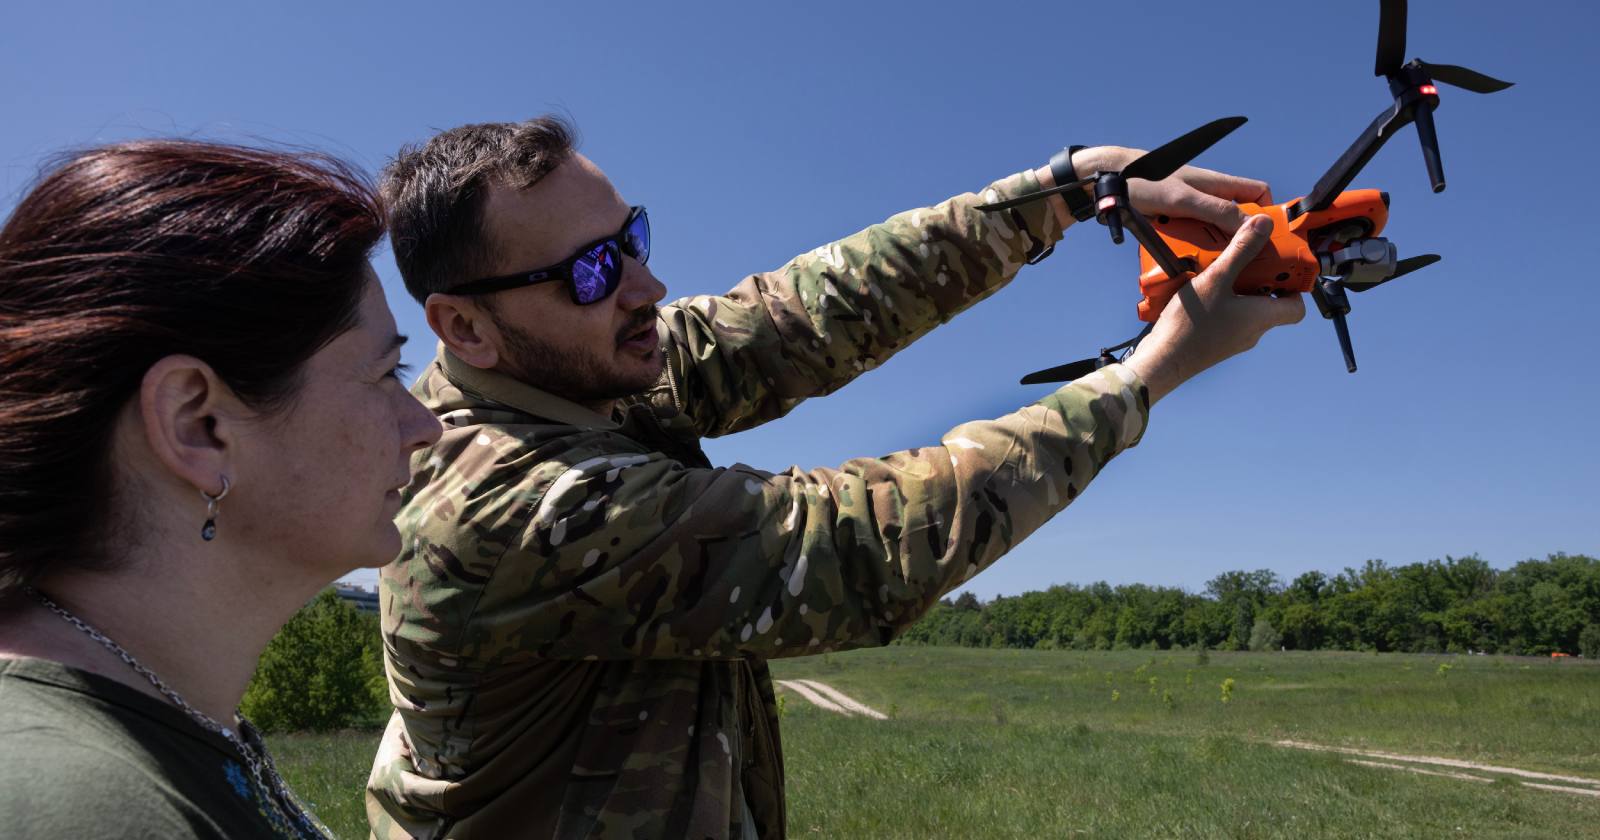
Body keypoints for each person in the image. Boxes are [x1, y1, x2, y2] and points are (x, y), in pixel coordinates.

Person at [365, 115, 1303, 839]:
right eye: (592, 271)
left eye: (633, 238)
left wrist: (1055, 192)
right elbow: (848, 549)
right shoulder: (496, 501)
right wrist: (1150, 375)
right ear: (465, 328)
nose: (645, 286)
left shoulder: (582, 367)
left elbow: (806, 316)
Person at [0, 140, 442, 838]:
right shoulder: (90, 805)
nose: (425, 426)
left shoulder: (171, 717)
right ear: (197, 426)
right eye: (386, 374)